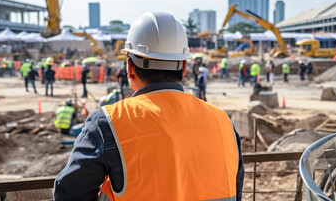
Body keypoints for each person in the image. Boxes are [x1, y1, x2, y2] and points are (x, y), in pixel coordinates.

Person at [54, 12, 244, 201]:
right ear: (184, 67)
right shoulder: (223, 121)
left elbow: (68, 193)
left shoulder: (109, 123)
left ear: (130, 68)